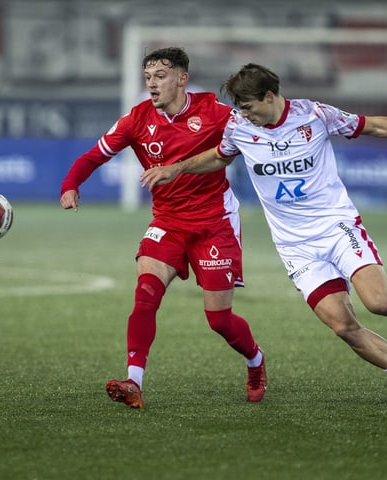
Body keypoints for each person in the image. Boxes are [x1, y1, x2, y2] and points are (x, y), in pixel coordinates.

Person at [140, 63, 387, 414]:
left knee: (379, 302)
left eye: (248, 106)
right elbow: (218, 156)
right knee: (343, 326)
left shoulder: (315, 115)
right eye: (239, 108)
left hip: (336, 226)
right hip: (295, 247)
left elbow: (373, 125)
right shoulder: (239, 127)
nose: (242, 114)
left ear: (269, 96)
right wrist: (176, 168)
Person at [60, 47, 267, 409]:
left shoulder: (215, 113)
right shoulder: (137, 119)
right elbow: (93, 155)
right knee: (146, 293)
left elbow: (259, 135)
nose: (152, 84)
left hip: (214, 223)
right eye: (148, 77)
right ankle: (133, 382)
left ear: (182, 79)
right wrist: (70, 185)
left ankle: (255, 361)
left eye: (160, 76)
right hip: (167, 222)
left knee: (219, 321)